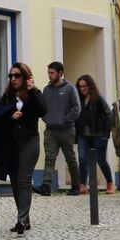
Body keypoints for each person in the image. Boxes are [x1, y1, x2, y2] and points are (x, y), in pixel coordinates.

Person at [0, 63, 44, 233]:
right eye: (11, 76)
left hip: (29, 141)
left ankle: (21, 220)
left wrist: (31, 91)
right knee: (15, 181)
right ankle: (25, 220)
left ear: (26, 77)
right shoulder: (8, 96)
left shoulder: (34, 93)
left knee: (24, 180)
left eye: (17, 75)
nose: (13, 79)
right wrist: (10, 116)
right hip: (12, 142)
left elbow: (42, 111)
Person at [37, 62, 80, 196]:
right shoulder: (46, 90)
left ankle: (76, 186)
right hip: (50, 130)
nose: (50, 75)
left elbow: (76, 108)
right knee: (50, 157)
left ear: (60, 73)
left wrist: (66, 120)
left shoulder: (70, 89)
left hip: (66, 130)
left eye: (52, 73)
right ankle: (46, 186)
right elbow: (42, 108)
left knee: (70, 158)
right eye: (48, 73)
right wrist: (47, 119)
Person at [73, 74, 114, 194]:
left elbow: (109, 114)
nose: (82, 89)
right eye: (80, 86)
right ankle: (82, 184)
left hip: (98, 134)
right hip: (83, 134)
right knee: (82, 159)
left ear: (90, 86)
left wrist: (106, 133)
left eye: (84, 86)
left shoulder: (98, 99)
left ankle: (110, 183)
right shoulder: (78, 99)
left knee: (101, 160)